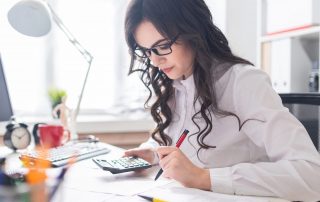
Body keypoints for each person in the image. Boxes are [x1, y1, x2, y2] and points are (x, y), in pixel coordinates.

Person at [123, 0, 320, 201]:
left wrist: (204, 177)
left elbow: (312, 175)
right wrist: (154, 153)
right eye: (147, 51)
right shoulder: (173, 86)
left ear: (193, 31)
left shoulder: (242, 82)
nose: (155, 61)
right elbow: (181, 150)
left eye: (163, 46)